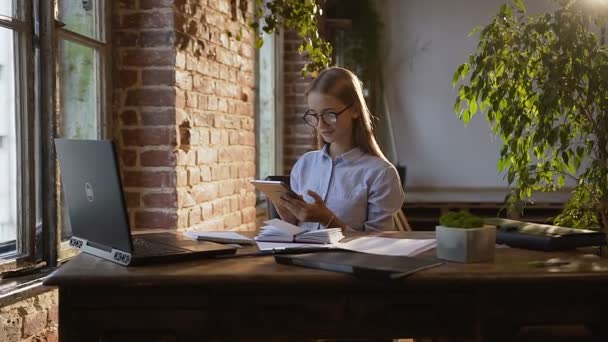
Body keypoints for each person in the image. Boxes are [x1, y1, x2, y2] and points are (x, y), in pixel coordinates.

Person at [274, 67, 405, 232]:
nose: (321, 125)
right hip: (300, 257)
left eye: (330, 114)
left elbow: (378, 243)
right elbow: (299, 233)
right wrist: (289, 219)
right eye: (314, 115)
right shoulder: (305, 164)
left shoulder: (380, 173)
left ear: (355, 110)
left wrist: (328, 220)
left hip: (352, 258)